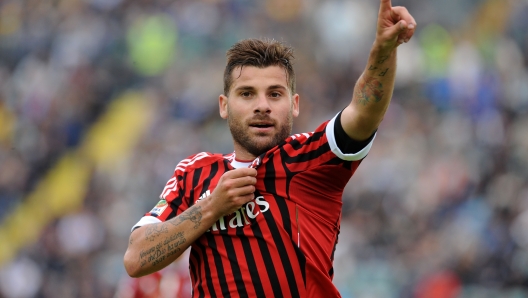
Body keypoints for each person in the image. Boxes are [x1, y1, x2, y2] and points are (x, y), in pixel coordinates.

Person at [124, 0, 416, 296]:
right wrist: (212, 207)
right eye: (247, 94)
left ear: (295, 104)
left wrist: (384, 49)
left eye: (275, 94)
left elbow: (365, 111)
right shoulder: (193, 174)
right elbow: (136, 258)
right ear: (224, 106)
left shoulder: (312, 160)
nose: (262, 106)